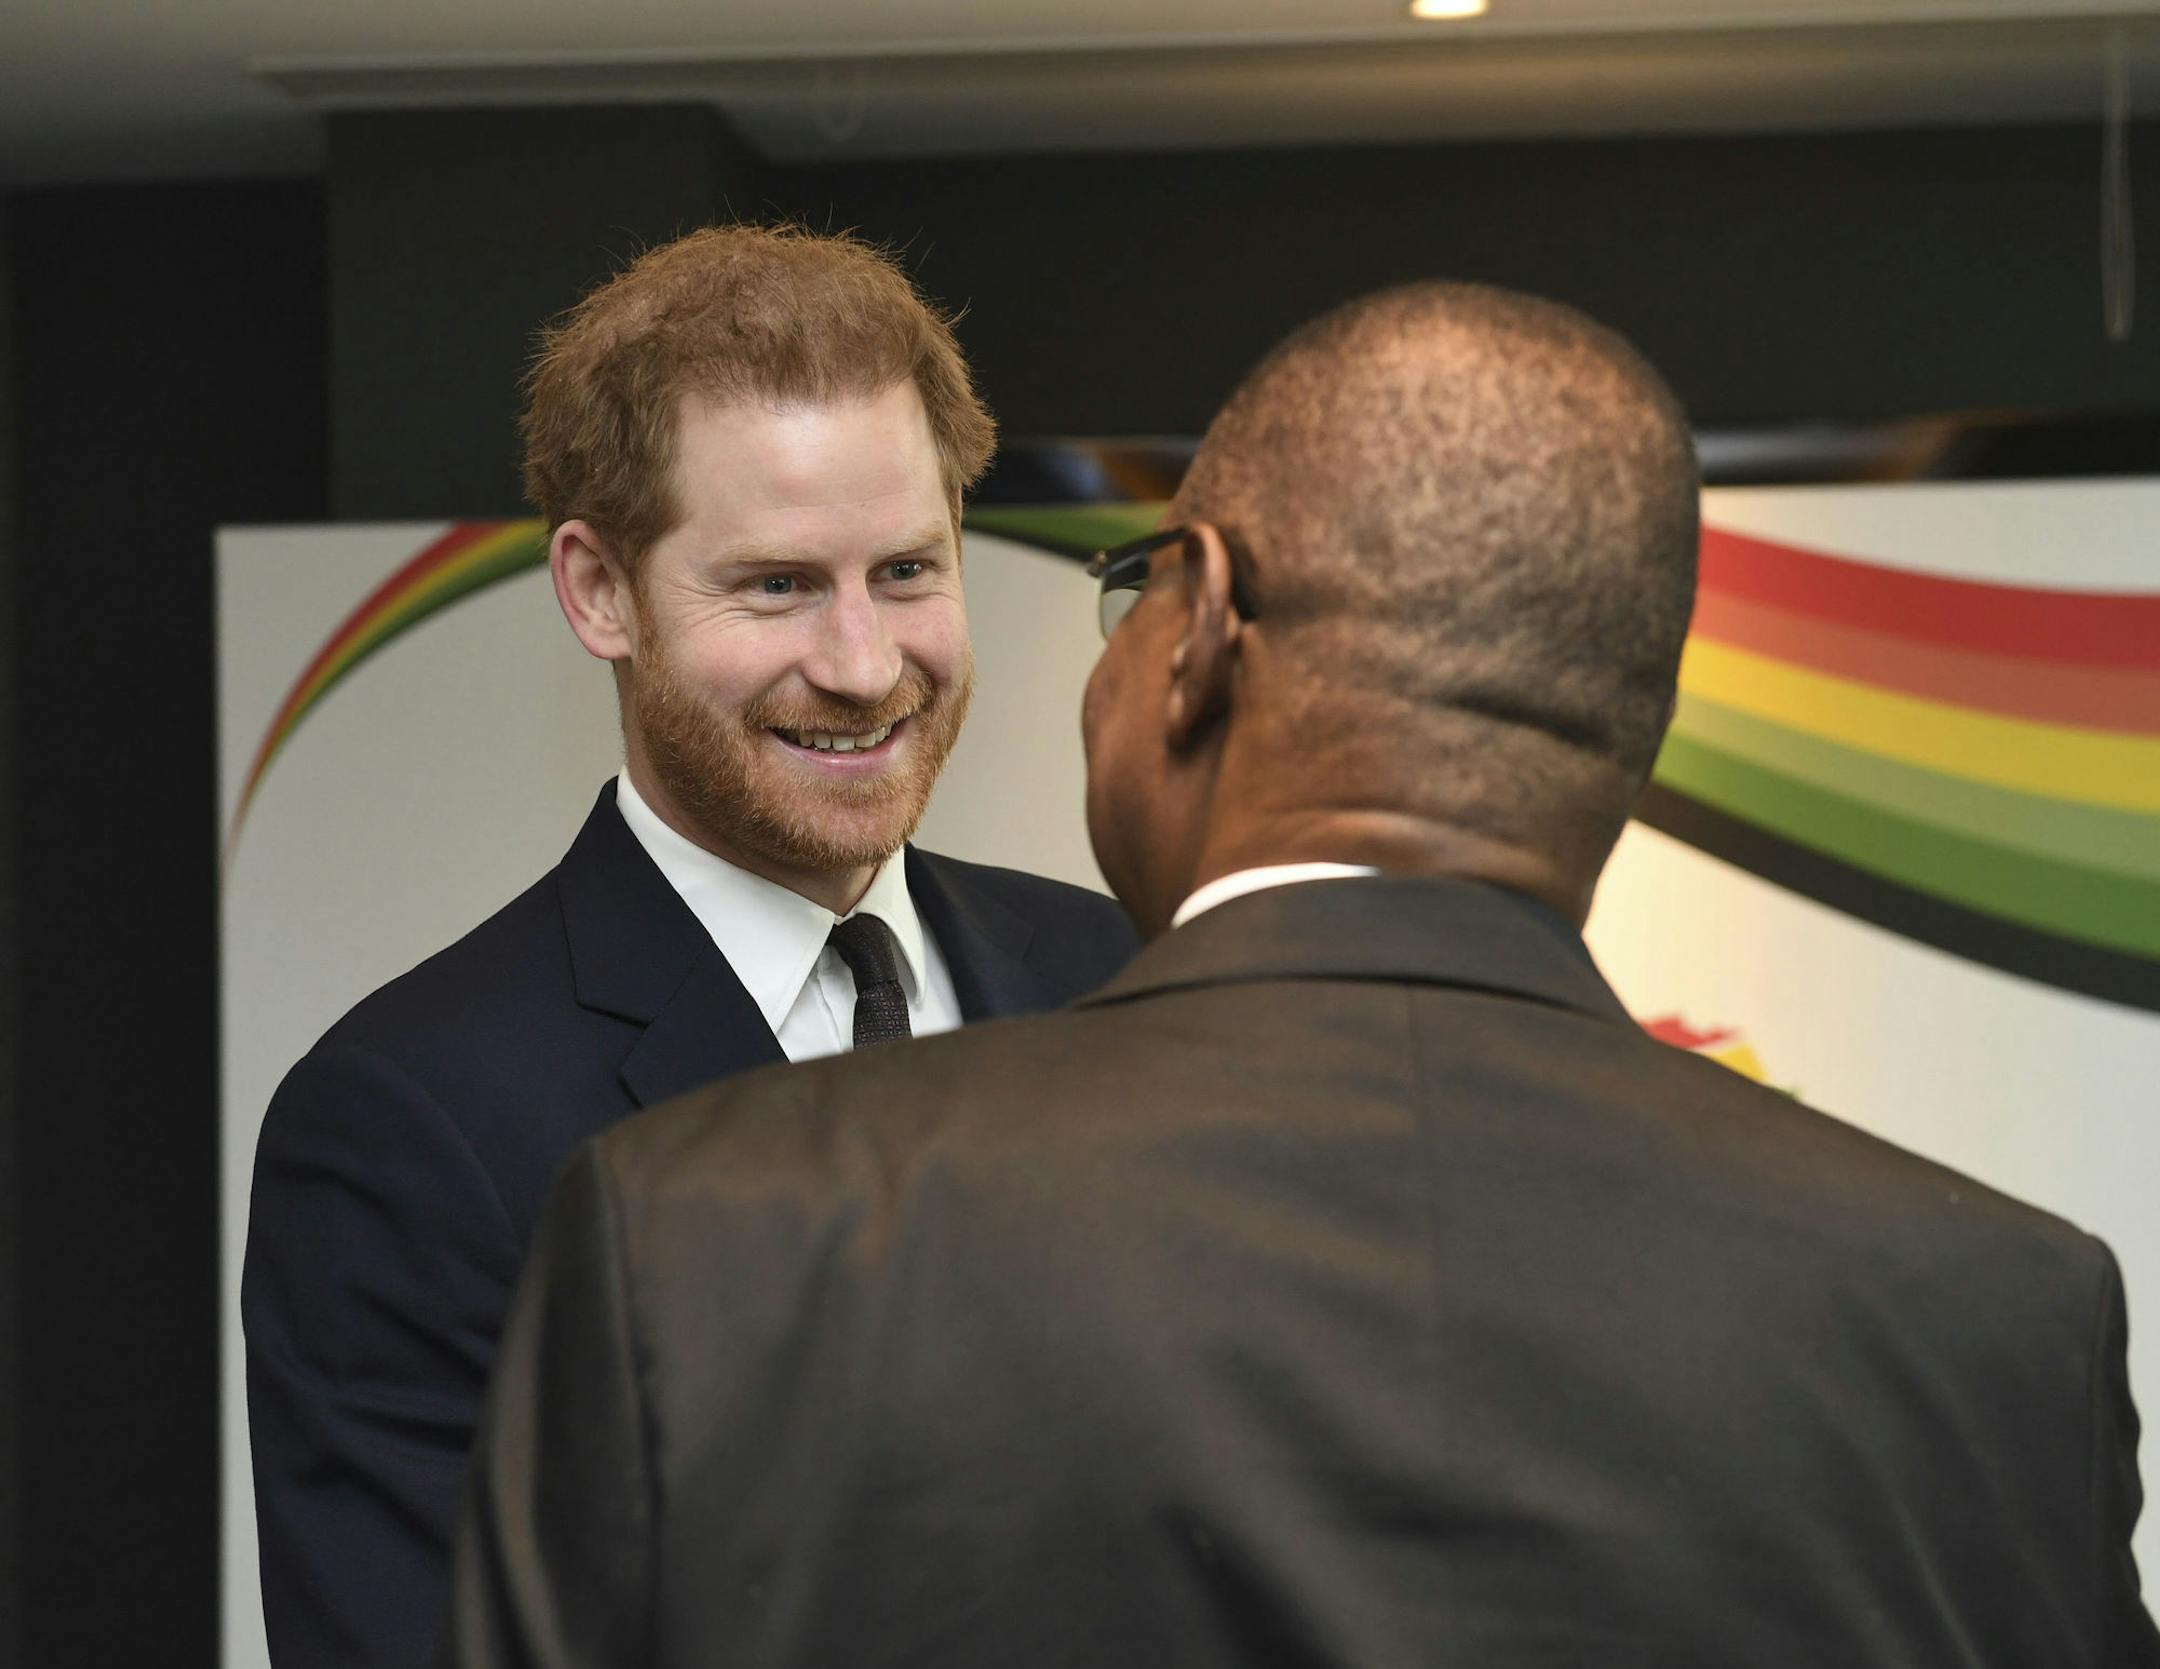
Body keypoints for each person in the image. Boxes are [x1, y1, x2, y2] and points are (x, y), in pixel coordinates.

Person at [444, 282, 2157, 1668]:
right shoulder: (2004, 1323)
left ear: (1195, 631)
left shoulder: (716, 1236)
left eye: (917, 570)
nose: (867, 654)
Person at [242, 224, 1138, 1668]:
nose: (862, 663)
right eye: (778, 584)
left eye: (907, 569)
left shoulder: (1114, 980)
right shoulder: (411, 1124)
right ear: (600, 590)